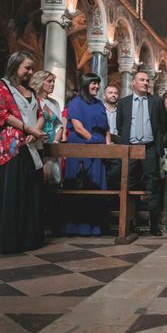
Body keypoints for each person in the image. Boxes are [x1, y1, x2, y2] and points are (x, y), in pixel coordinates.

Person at [0, 51, 47, 254]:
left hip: (32, 146)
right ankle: (10, 240)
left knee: (32, 193)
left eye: (32, 68)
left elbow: (41, 114)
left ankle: (31, 238)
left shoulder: (30, 90)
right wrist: (27, 129)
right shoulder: (2, 86)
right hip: (13, 147)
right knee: (13, 192)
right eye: (27, 68)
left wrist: (36, 131)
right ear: (15, 66)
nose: (31, 72)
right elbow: (1, 114)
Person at [116, 71, 167, 236]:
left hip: (150, 148)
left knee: (153, 186)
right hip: (130, 149)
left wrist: (157, 144)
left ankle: (154, 225)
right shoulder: (123, 103)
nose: (146, 83)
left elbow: (163, 124)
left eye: (147, 80)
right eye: (142, 80)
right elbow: (120, 125)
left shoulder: (156, 102)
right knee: (128, 184)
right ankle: (129, 223)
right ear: (133, 82)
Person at [63, 73, 110, 236]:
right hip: (81, 147)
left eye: (98, 83)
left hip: (99, 148)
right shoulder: (75, 103)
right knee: (80, 184)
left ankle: (96, 225)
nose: (96, 87)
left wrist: (107, 146)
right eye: (93, 83)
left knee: (97, 185)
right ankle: (77, 225)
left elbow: (106, 128)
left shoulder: (99, 104)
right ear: (85, 84)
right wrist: (94, 141)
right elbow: (78, 127)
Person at [29, 70, 63, 144]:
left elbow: (59, 126)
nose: (53, 84)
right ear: (39, 82)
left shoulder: (54, 103)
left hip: (53, 146)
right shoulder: (32, 101)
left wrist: (56, 141)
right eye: (49, 81)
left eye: (53, 81)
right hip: (35, 144)